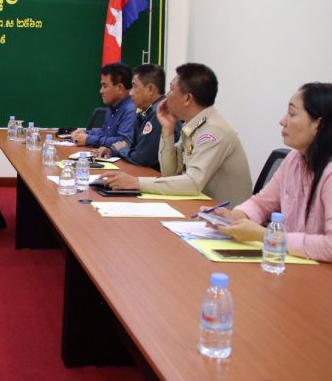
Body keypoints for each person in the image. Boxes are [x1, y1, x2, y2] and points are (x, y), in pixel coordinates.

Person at [209, 82, 332, 262]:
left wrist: (267, 235)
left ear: (318, 125)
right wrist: (231, 217)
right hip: (293, 263)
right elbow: (262, 203)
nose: (282, 121)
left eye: (292, 114)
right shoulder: (294, 159)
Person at [101, 63, 252, 204]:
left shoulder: (213, 131)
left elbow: (192, 183)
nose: (166, 95)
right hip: (198, 207)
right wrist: (167, 130)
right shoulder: (193, 125)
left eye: (171, 90)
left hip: (224, 217)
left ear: (187, 98)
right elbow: (170, 172)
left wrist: (136, 182)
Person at [95, 64, 171, 169]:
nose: (130, 93)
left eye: (135, 87)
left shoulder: (159, 113)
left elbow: (142, 157)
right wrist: (111, 150)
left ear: (150, 89)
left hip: (154, 175)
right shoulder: (144, 111)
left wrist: (120, 149)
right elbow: (129, 142)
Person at [71, 62, 136, 148]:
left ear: (119, 88)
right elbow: (105, 133)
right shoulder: (112, 106)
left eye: (105, 86)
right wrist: (84, 133)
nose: (101, 91)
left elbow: (123, 142)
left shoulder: (131, 110)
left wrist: (88, 139)